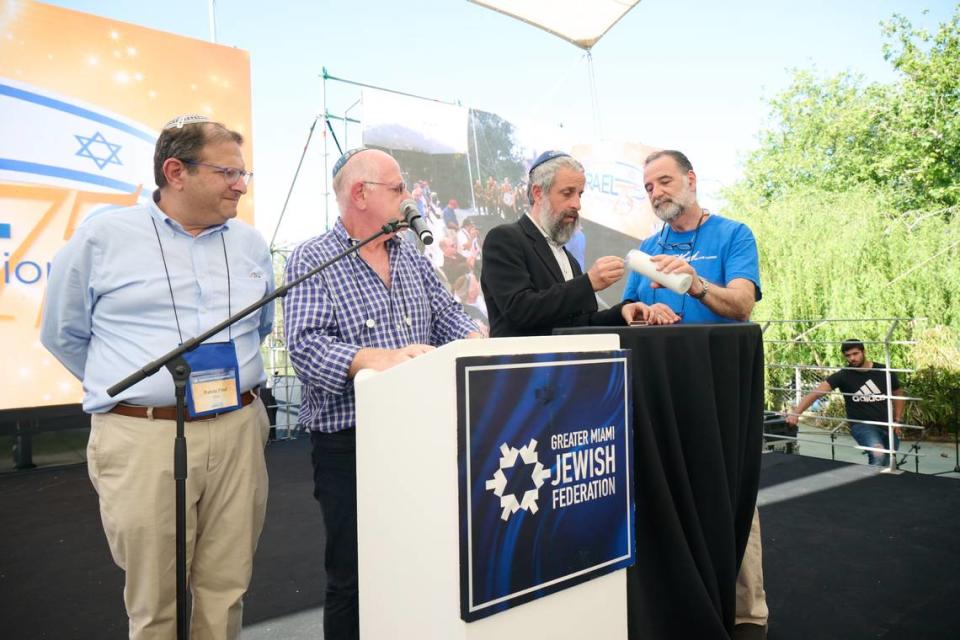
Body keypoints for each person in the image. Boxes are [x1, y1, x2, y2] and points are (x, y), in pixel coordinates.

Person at [40, 114, 273, 639]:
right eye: (228, 172)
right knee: (156, 598)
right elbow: (63, 332)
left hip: (238, 428)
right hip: (144, 435)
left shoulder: (250, 244)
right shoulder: (103, 237)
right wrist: (137, 393)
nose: (241, 184)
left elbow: (259, 328)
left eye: (244, 174)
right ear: (176, 171)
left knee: (227, 585)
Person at [283, 147, 480, 640]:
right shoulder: (312, 257)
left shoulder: (410, 256)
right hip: (351, 442)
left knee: (418, 561)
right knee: (352, 574)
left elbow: (448, 315)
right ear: (360, 194)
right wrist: (374, 359)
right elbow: (305, 347)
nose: (408, 198)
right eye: (397, 189)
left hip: (421, 435)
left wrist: (474, 337)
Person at [622, 150, 767, 639]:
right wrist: (641, 311)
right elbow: (628, 307)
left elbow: (742, 305)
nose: (656, 192)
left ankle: (748, 615)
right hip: (661, 398)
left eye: (664, 181)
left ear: (690, 180)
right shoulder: (645, 247)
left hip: (720, 394)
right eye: (648, 187)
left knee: (732, 501)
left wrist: (696, 284)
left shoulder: (733, 235)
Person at [479, 150, 662, 338]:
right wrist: (588, 283)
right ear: (538, 193)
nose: (577, 204)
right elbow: (519, 310)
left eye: (580, 194)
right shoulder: (505, 239)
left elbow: (578, 324)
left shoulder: (569, 259)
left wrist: (622, 312)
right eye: (567, 193)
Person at [787, 339, 905, 467]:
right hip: (862, 426)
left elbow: (898, 393)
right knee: (878, 454)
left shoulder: (883, 371)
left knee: (889, 460)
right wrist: (796, 413)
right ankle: (872, 485)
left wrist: (897, 420)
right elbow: (815, 393)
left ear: (864, 352)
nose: (852, 358)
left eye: (855, 354)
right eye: (848, 356)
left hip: (886, 423)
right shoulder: (843, 376)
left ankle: (882, 485)